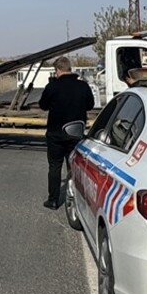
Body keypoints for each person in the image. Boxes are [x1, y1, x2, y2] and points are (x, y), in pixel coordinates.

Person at [38, 55, 94, 210]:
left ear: (57, 70)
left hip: (56, 134)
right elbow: (90, 105)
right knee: (74, 167)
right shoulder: (83, 86)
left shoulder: (52, 87)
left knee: (55, 166)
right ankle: (76, 199)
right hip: (75, 134)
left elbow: (43, 105)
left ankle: (53, 200)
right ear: (70, 69)